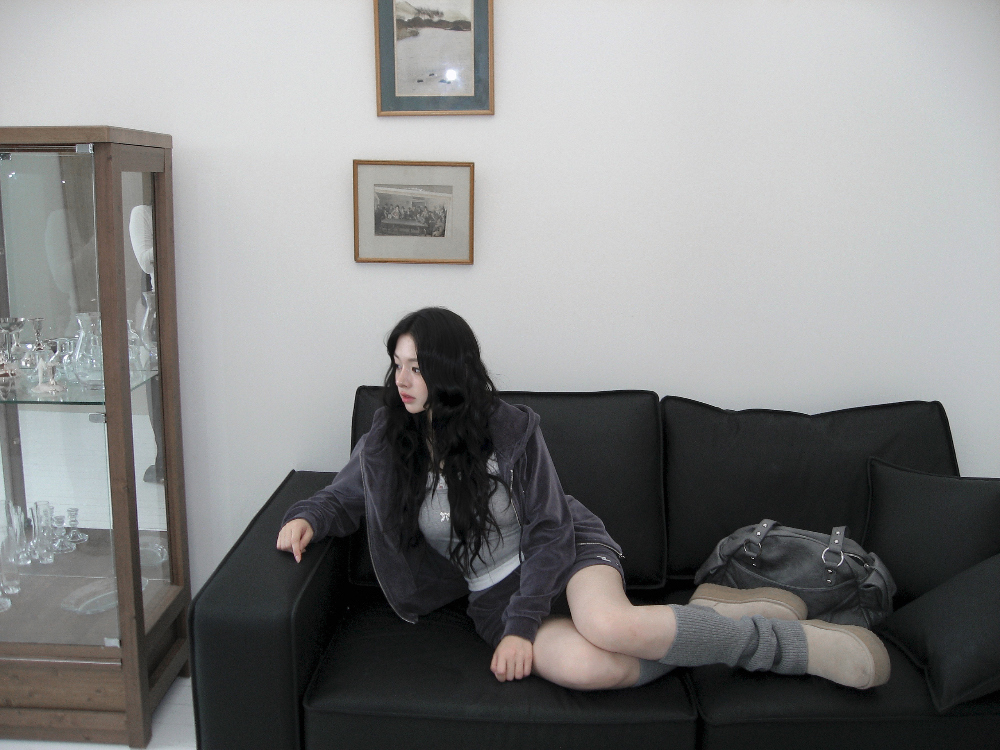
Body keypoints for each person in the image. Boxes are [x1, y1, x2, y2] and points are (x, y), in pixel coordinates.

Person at [277, 308, 890, 690]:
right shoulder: (388, 439)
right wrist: (307, 518)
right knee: (594, 667)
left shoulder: (509, 430)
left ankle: (793, 648)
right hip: (493, 595)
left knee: (609, 624)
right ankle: (720, 614)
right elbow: (344, 496)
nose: (402, 381)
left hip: (565, 551)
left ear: (451, 371)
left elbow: (549, 529)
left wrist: (524, 627)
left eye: (416, 367)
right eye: (396, 366)